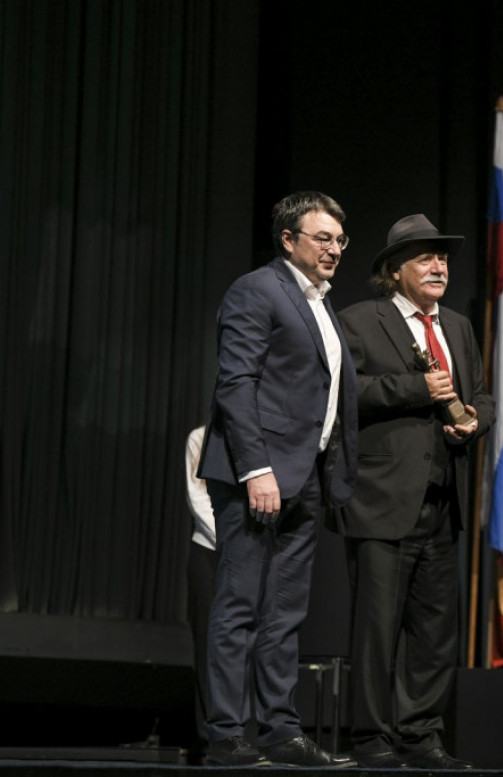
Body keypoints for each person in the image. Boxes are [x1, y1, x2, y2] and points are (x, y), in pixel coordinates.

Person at [196, 191, 358, 768]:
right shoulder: (257, 289)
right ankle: (225, 733)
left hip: (306, 475)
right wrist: (256, 469)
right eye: (322, 238)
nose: (334, 249)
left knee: (285, 611)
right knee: (239, 604)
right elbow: (236, 383)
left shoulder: (322, 304)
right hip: (257, 475)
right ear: (288, 239)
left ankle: (280, 730)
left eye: (340, 240)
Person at [332, 214, 492, 769]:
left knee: (435, 632)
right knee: (376, 631)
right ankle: (372, 740)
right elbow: (343, 392)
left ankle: (420, 736)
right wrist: (414, 388)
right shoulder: (359, 321)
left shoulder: (458, 327)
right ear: (395, 271)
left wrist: (476, 421)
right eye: (425, 258)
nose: (438, 267)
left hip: (443, 501)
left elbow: (482, 395)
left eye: (442, 258)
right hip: (381, 498)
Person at [184, 425, 218, 763]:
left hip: (248, 553)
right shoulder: (200, 437)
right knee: (208, 645)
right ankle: (210, 736)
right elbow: (198, 497)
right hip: (209, 551)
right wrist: (232, 540)